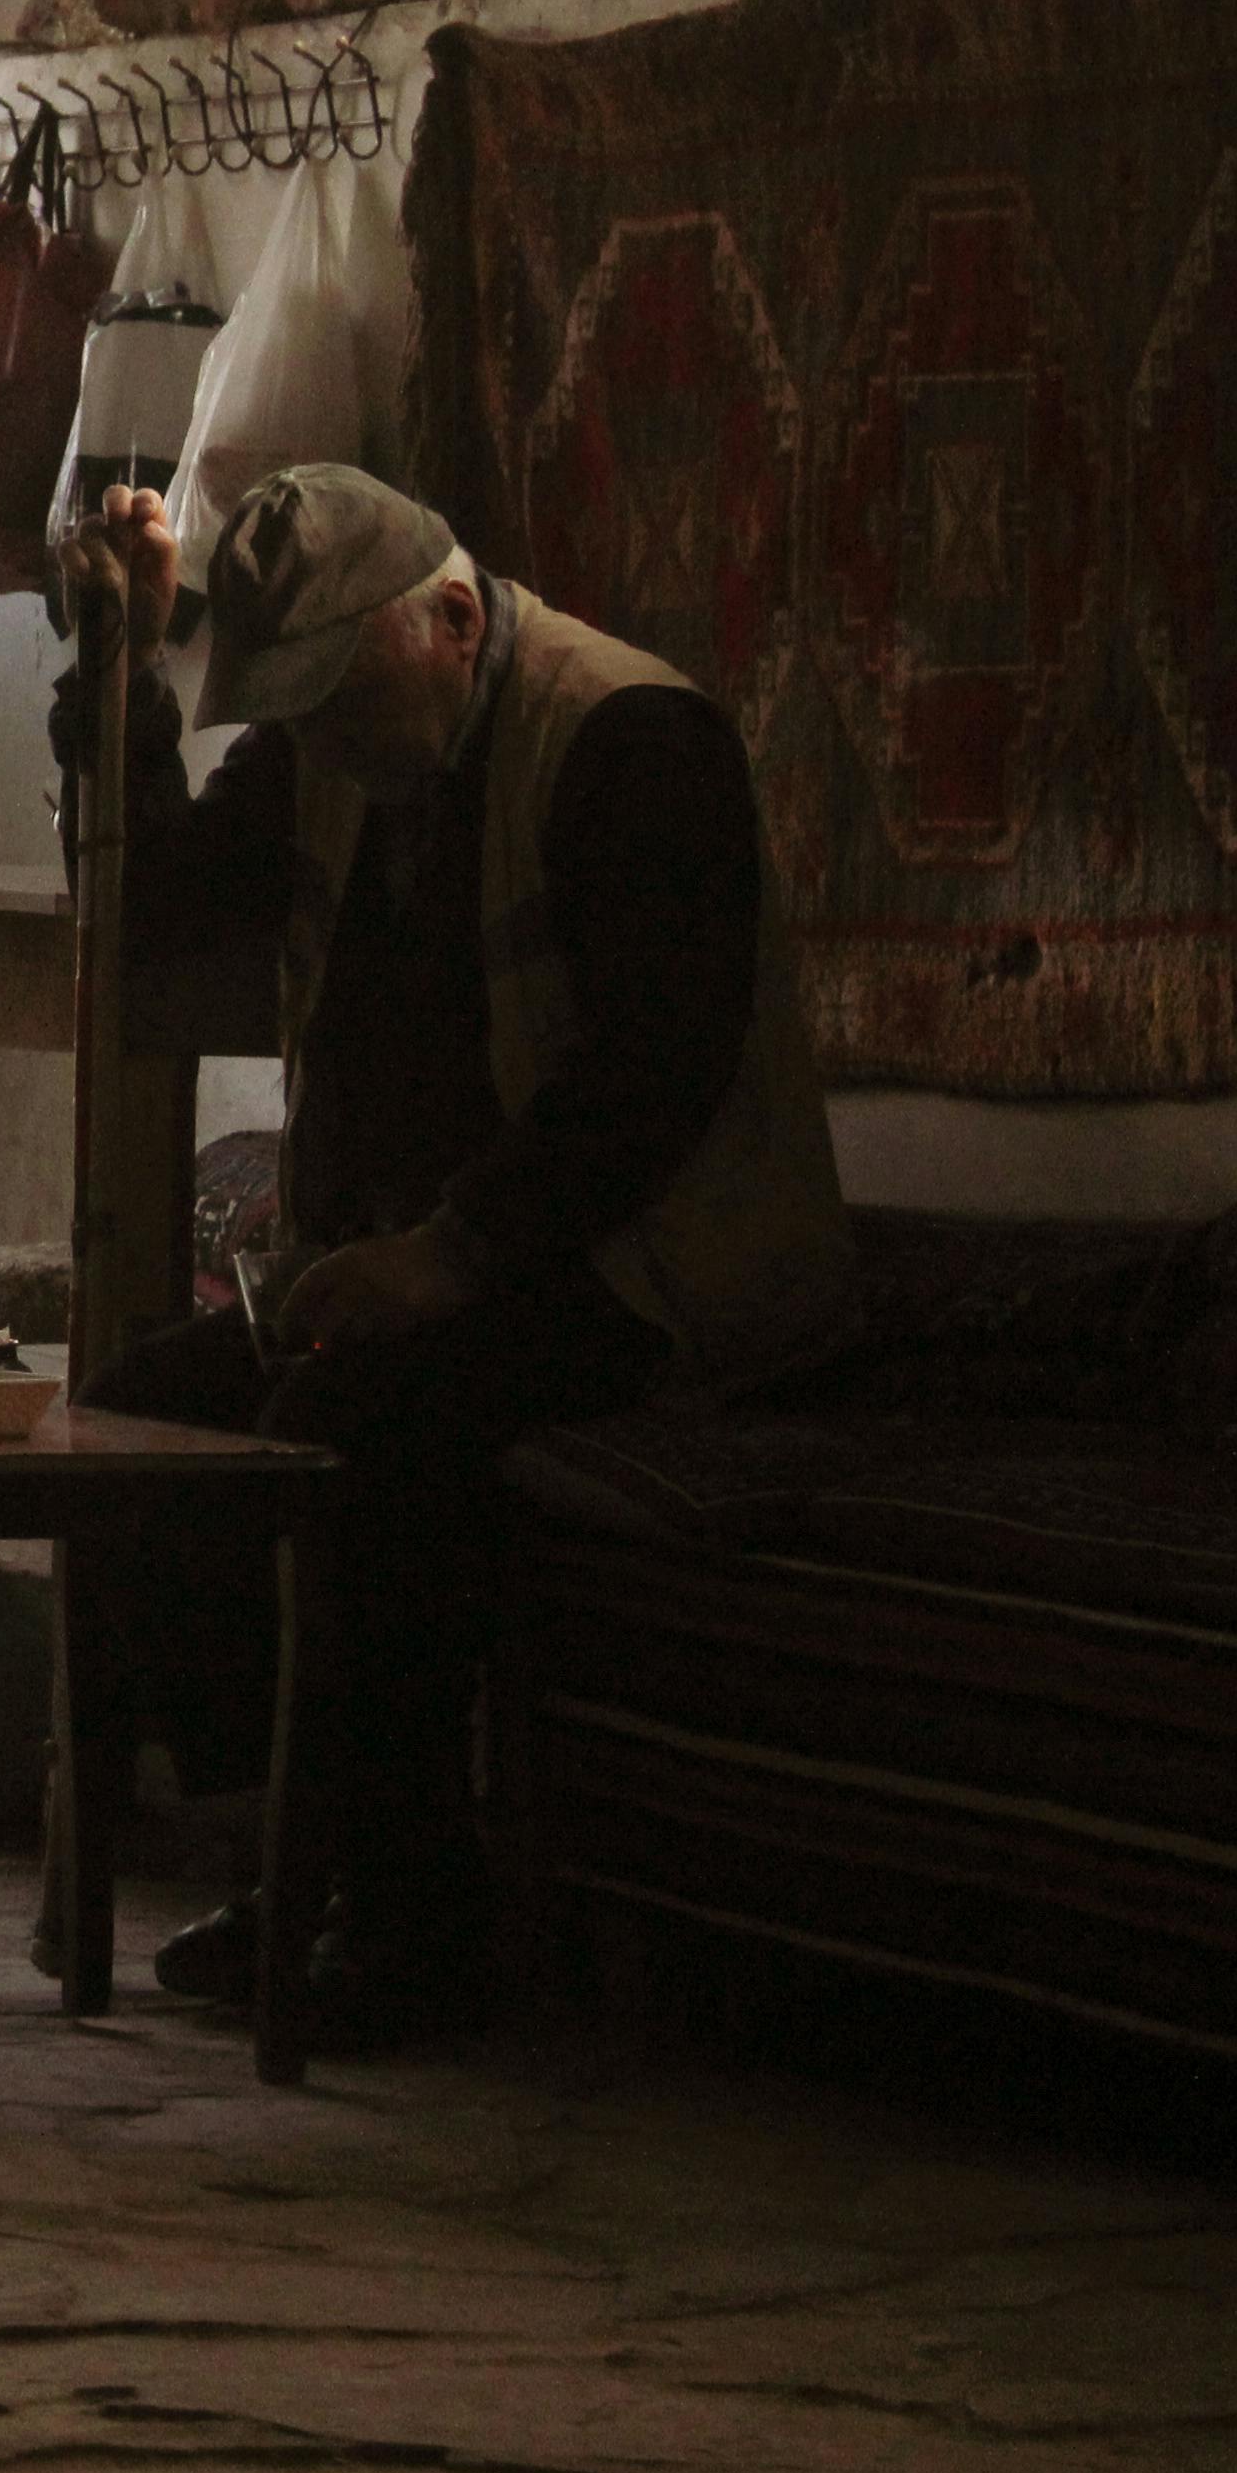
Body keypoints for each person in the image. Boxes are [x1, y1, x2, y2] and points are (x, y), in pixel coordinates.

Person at [59, 459, 850, 2050]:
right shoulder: (340, 740)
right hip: (432, 1266)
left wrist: (451, 1255)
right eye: (292, 714)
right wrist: (121, 669)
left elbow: (654, 1078)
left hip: (650, 1273)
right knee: (136, 1418)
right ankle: (302, 1850)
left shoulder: (630, 739)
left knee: (366, 1439)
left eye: (336, 700)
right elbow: (165, 916)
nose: (322, 745)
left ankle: (417, 1921)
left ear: (456, 620)